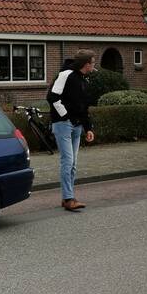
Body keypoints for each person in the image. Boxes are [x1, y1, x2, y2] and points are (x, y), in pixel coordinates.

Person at [47, 50, 96, 212]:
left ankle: (67, 197)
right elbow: (52, 97)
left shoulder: (84, 80)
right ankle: (69, 199)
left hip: (77, 126)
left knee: (73, 164)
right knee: (67, 162)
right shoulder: (66, 74)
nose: (94, 66)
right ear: (86, 64)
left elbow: (84, 107)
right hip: (63, 124)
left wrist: (88, 128)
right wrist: (65, 115)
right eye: (93, 63)